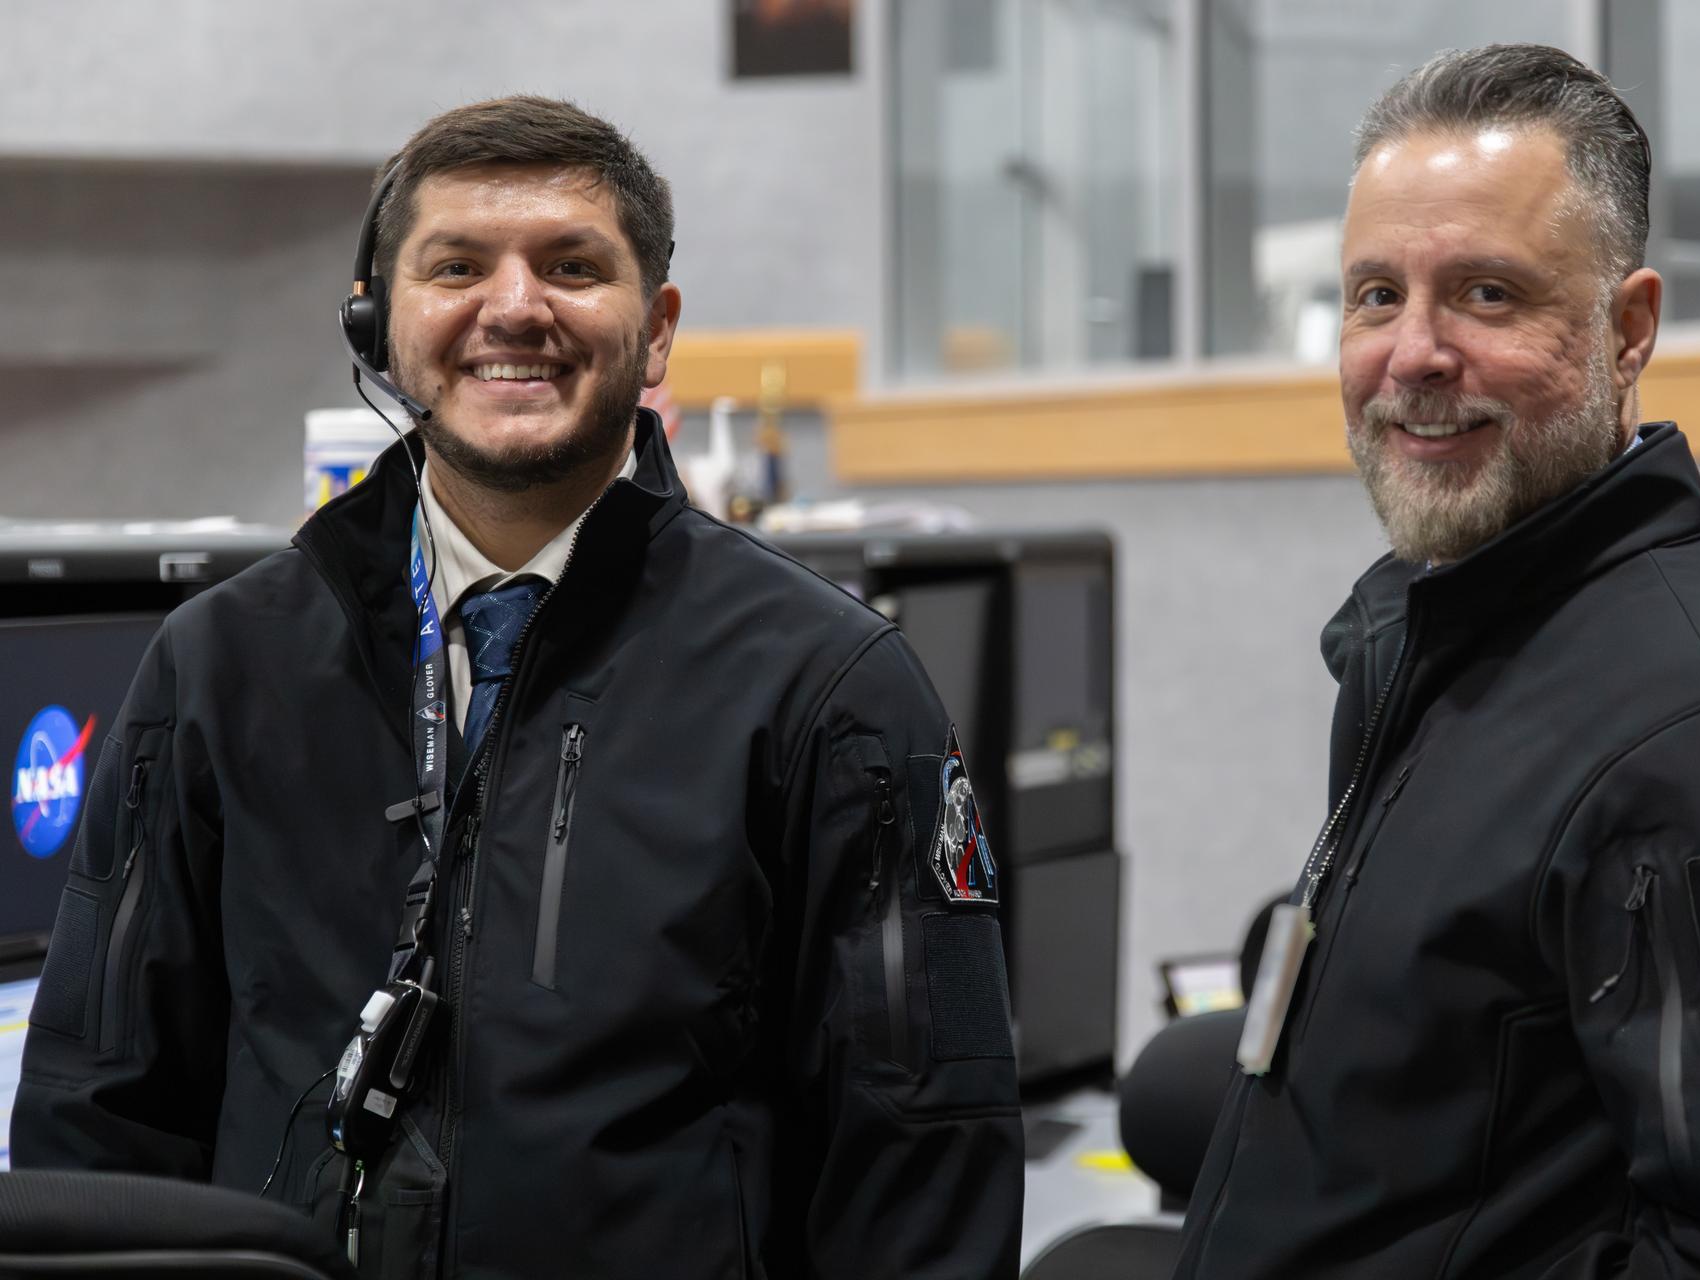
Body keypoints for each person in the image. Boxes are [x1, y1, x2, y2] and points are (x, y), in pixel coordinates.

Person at [14, 96, 1024, 1278]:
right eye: (456, 266)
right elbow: (97, 1116)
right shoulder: (219, 663)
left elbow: (924, 1165)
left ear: (654, 332)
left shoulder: (829, 684)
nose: (513, 307)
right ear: (377, 321)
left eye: (571, 265)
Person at [1175, 45, 1700, 1278]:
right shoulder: (1457, 635)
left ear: (1628, 331)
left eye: (1485, 294)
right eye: (1374, 296)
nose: (1411, 354)